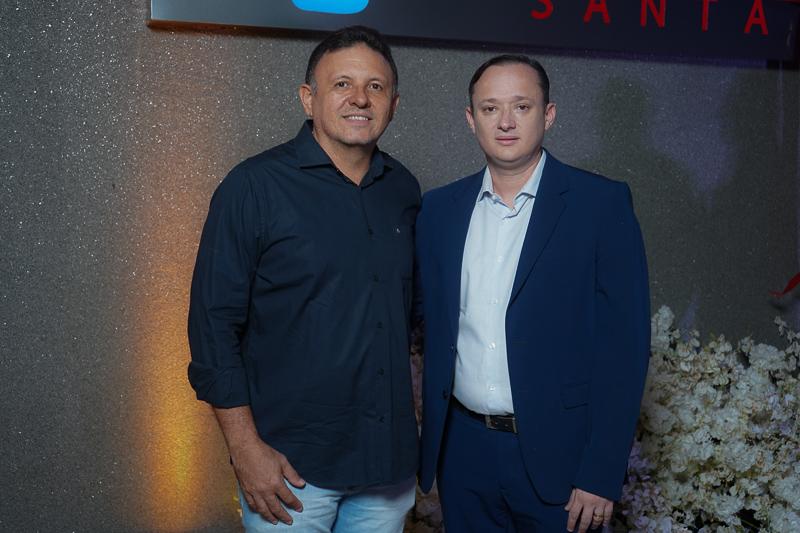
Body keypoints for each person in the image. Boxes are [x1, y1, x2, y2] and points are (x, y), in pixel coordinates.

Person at [187, 26, 420, 533]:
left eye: (375, 86)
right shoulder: (252, 187)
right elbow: (212, 329)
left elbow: (417, 315)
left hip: (386, 468)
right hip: (289, 473)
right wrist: (245, 449)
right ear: (308, 98)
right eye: (342, 84)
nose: (360, 98)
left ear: (394, 104)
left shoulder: (403, 189)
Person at [414, 54, 650, 533]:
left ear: (548, 114)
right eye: (490, 108)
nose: (505, 122)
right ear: (471, 119)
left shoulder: (601, 204)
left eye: (521, 106)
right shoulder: (438, 210)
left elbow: (624, 350)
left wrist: (601, 472)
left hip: (561, 455)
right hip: (463, 454)